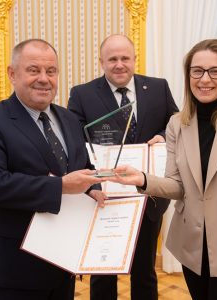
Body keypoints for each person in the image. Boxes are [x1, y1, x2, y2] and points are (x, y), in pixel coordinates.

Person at [105, 38, 217, 300]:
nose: (205, 79)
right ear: (188, 75)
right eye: (197, 71)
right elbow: (178, 186)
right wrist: (143, 179)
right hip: (194, 245)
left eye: (215, 71)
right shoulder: (177, 125)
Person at [0, 39, 106, 300]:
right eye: (33, 70)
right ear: (12, 73)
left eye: (51, 71)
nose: (44, 79)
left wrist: (94, 187)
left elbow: (83, 166)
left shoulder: (69, 118)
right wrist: (61, 186)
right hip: (12, 267)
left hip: (62, 261)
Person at [68, 34, 178, 300]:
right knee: (102, 272)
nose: (119, 64)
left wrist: (163, 135)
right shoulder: (82, 94)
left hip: (147, 195)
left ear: (134, 59)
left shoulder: (158, 87)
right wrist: (92, 185)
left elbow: (176, 122)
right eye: (112, 59)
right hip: (105, 196)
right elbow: (74, 141)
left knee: (145, 273)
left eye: (125, 58)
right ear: (101, 62)